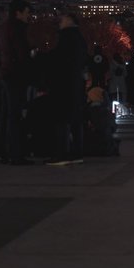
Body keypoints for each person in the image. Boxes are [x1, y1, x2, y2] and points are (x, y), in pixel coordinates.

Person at [46, 10, 88, 166]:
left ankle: (61, 154)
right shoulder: (80, 39)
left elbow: (58, 58)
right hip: (76, 83)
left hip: (63, 83)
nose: (60, 22)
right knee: (76, 119)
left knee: (62, 119)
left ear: (70, 20)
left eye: (62, 19)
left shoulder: (66, 37)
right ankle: (77, 153)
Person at [0, 0, 33, 165]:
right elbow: (22, 54)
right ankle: (16, 154)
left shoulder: (5, 27)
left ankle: (5, 152)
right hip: (16, 75)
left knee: (7, 115)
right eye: (27, 13)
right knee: (15, 115)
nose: (29, 16)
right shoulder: (19, 29)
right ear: (18, 13)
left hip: (6, 74)